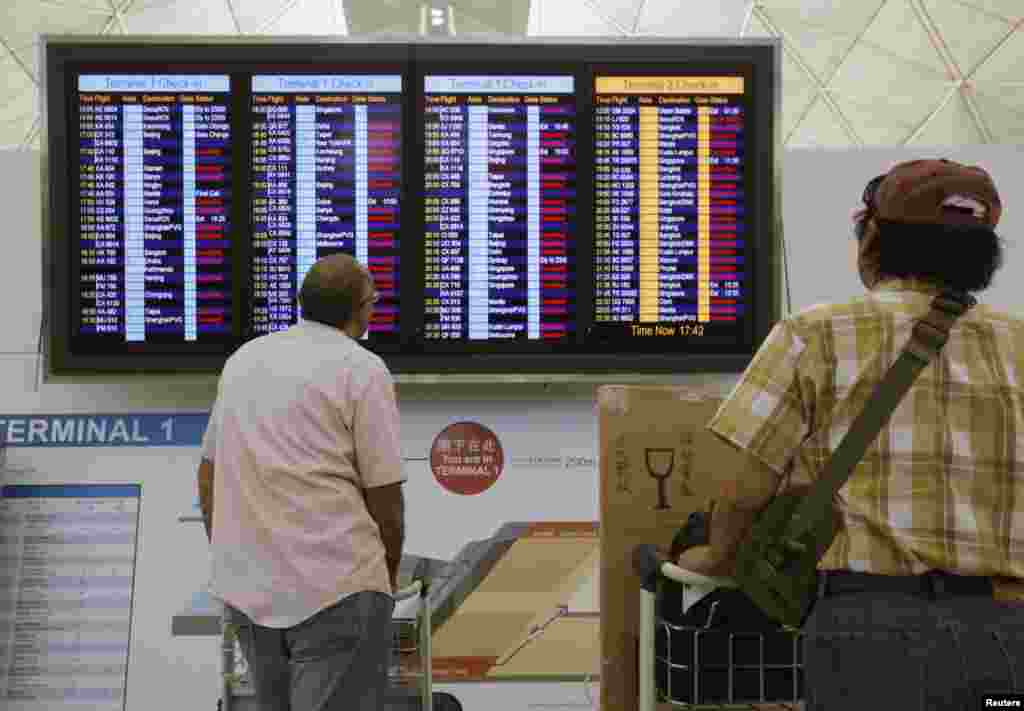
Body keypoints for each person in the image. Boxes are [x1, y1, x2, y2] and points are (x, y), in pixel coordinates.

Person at [675, 159, 1024, 709]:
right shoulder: (1019, 345)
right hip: (1009, 634)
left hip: (871, 635)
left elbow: (745, 490)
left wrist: (715, 556)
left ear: (873, 240)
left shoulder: (813, 334)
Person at [196, 253, 406, 711]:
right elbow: (385, 493)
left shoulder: (243, 361)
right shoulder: (362, 368)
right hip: (338, 586)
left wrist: (229, 554)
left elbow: (208, 473)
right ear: (363, 308)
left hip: (250, 588)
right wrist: (384, 577)